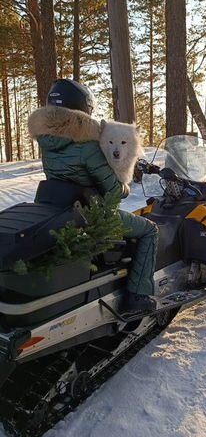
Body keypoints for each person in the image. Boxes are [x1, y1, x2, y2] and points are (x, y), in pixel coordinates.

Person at [28, 78, 159, 317]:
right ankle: (137, 296)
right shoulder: (87, 146)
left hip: (58, 212)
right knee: (149, 230)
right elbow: (112, 191)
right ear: (83, 108)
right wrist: (125, 188)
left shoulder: (47, 143)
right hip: (90, 214)